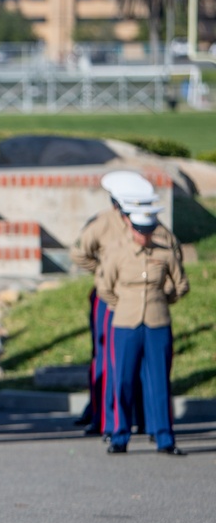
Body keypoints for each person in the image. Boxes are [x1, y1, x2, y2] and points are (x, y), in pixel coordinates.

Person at [70, 171, 179, 437]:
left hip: (146, 304)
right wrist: (104, 274)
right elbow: (79, 252)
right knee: (108, 360)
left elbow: (172, 258)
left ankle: (147, 421)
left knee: (148, 366)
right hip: (111, 299)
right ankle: (105, 419)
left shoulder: (155, 227)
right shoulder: (103, 223)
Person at [98, 206, 189, 455]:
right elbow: (104, 288)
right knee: (124, 380)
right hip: (126, 323)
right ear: (132, 228)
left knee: (159, 381)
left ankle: (164, 437)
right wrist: (124, 304)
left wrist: (162, 300)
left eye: (148, 231)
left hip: (157, 322)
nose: (144, 236)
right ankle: (120, 435)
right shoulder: (117, 253)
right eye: (140, 231)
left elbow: (181, 284)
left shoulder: (165, 254)